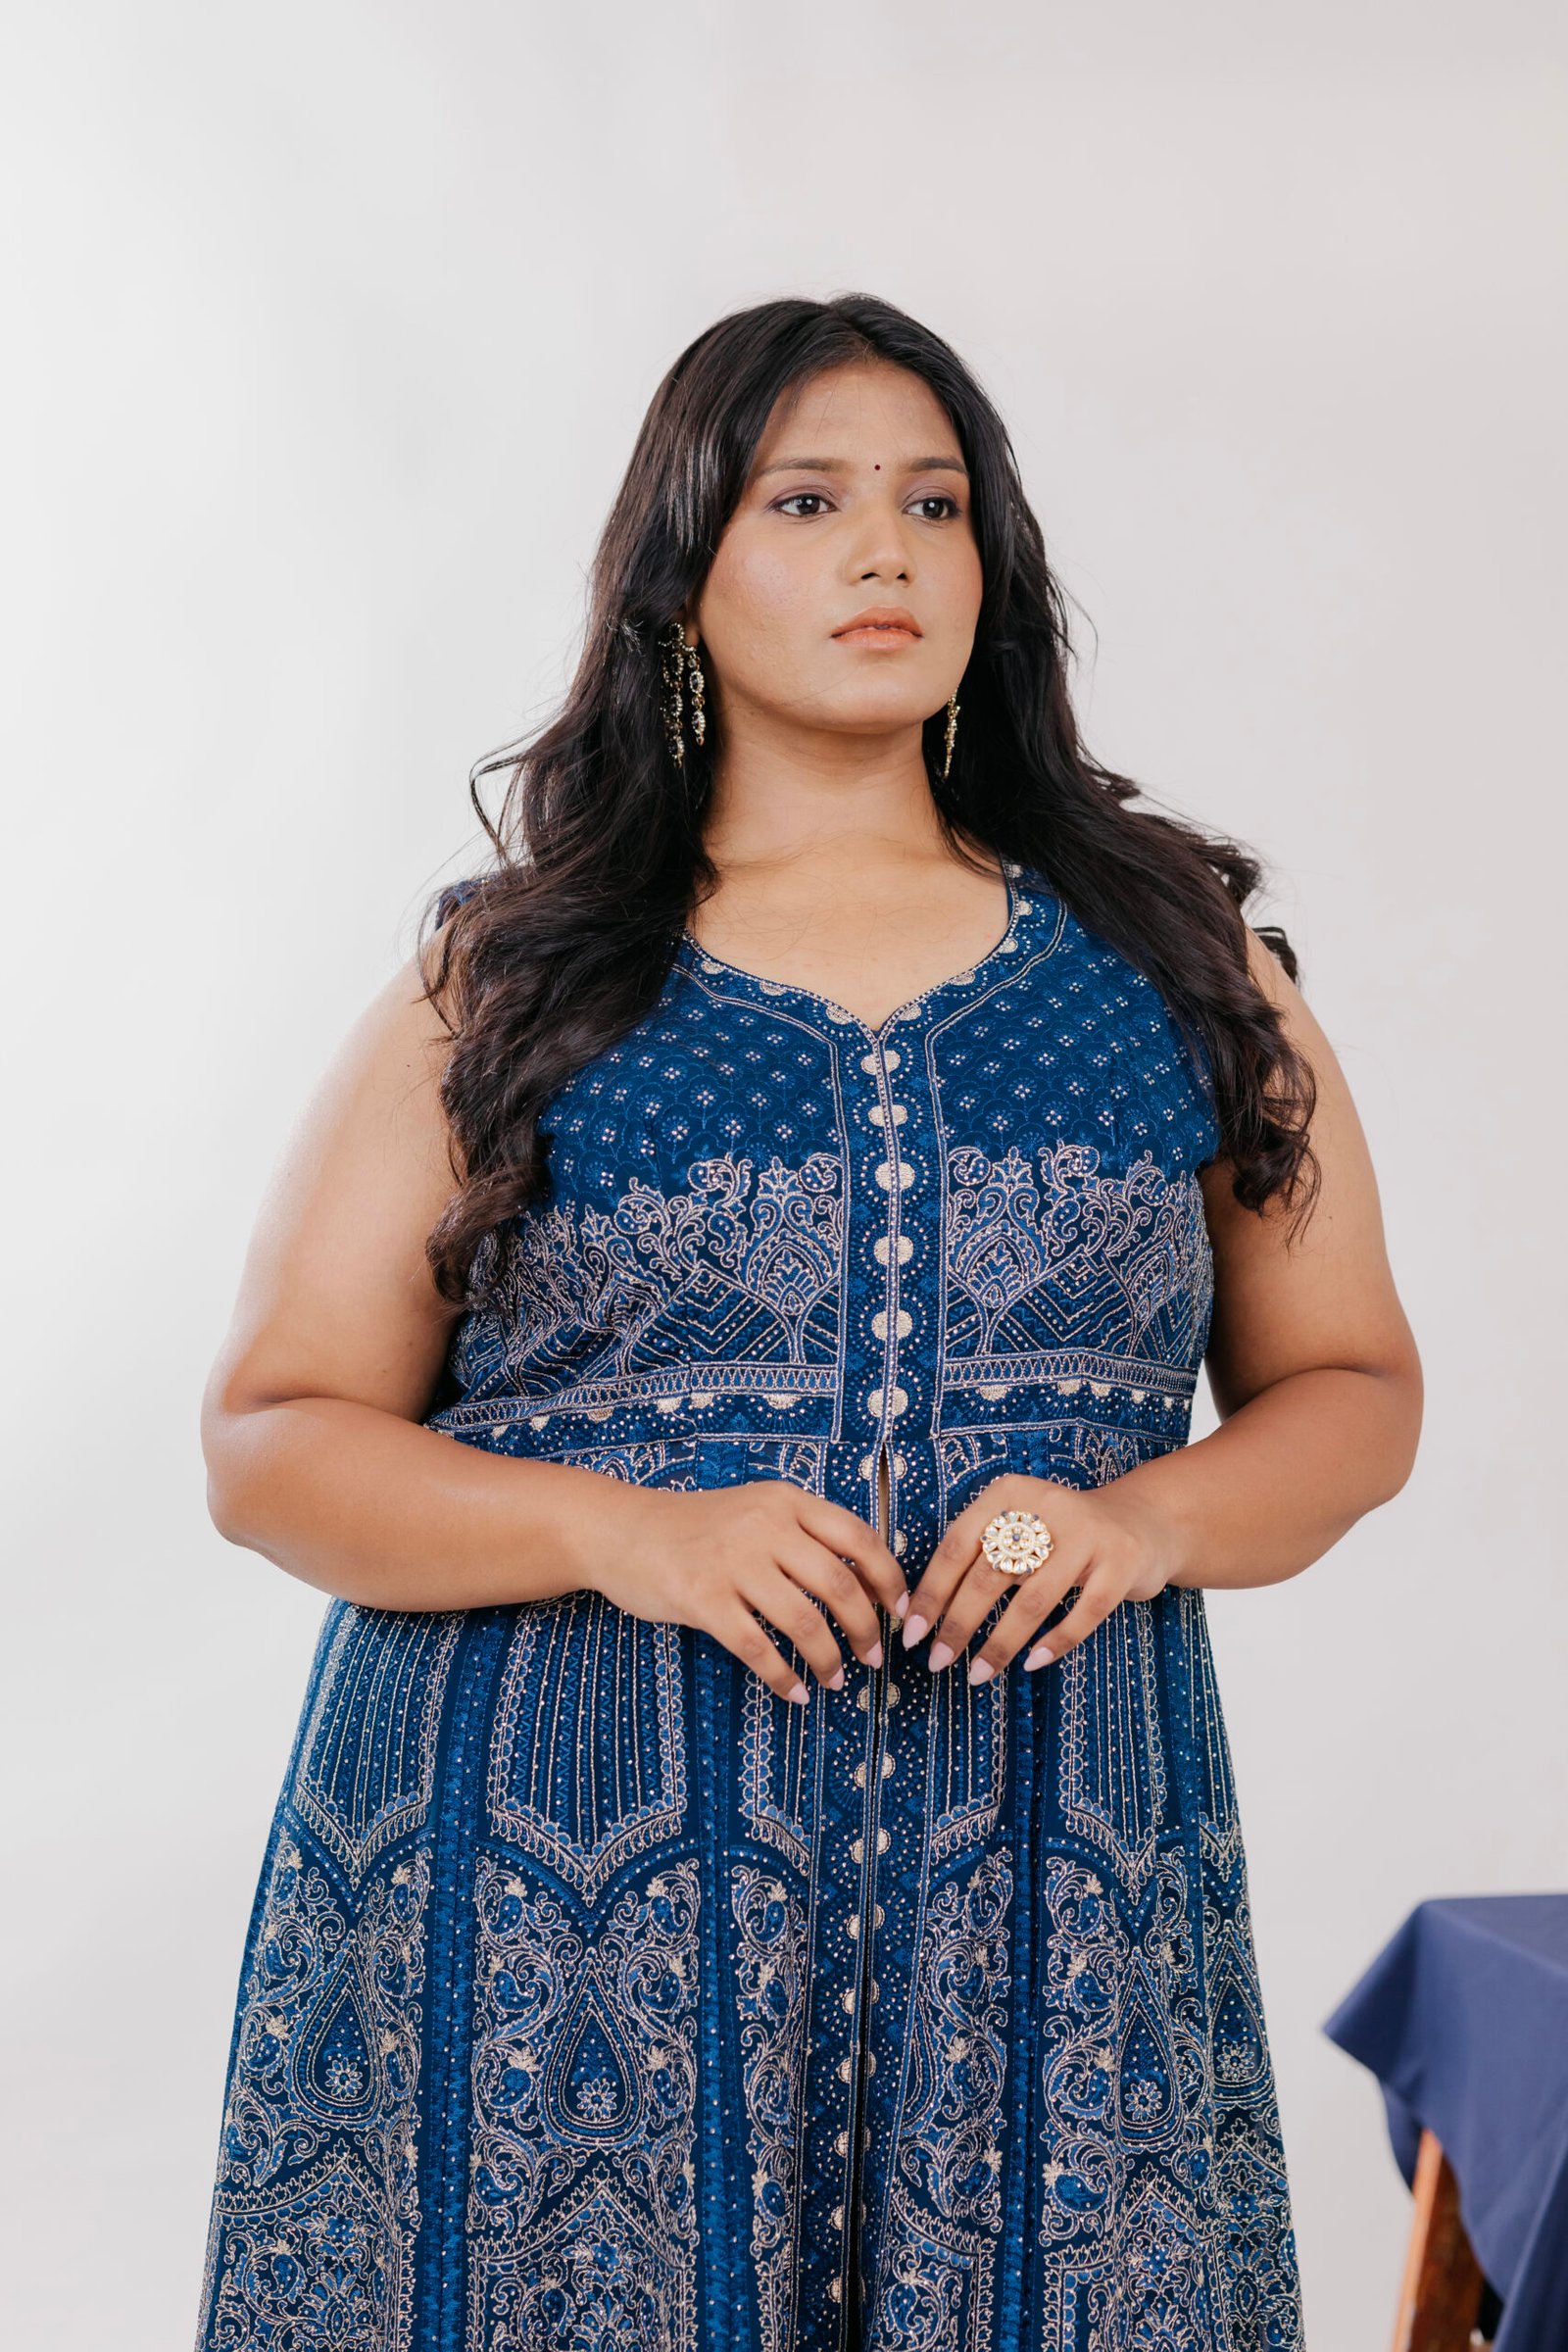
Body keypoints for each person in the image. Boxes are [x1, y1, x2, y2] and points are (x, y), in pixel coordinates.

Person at [191, 292, 1421, 2352]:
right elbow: (270, 1438)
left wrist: (1138, 1522)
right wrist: (628, 1533)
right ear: (681, 571)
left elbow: (1353, 1384)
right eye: (807, 501)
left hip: (1043, 1888)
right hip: (554, 1924)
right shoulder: (514, 981)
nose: (885, 553)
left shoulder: (1174, 965)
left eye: (934, 506)